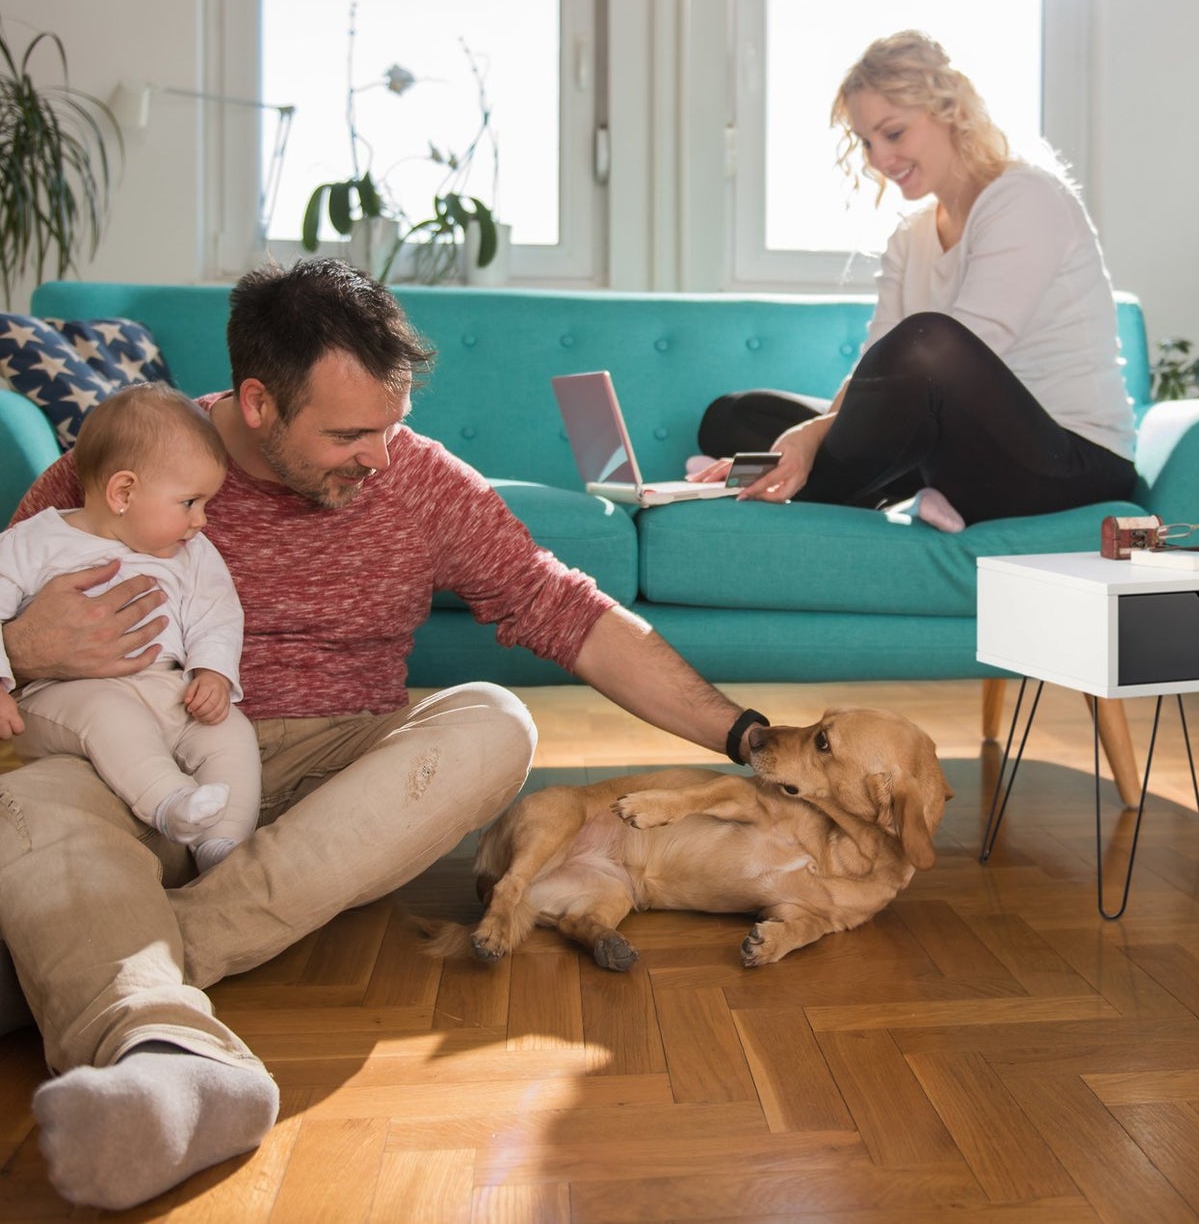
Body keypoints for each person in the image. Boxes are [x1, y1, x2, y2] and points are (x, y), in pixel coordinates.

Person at [0, 258, 773, 1212]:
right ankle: (173, 1059)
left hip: (345, 768)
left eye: (392, 424)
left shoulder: (414, 479)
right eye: (348, 432)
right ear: (255, 403)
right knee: (27, 795)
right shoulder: (134, 462)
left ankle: (119, 977)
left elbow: (563, 608)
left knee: (495, 720)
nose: (378, 456)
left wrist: (746, 735)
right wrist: (18, 639)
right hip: (143, 752)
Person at [694, 30, 1139, 532]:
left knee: (929, 346)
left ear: (948, 110)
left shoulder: (1024, 198)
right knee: (735, 416)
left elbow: (953, 361)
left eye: (894, 133)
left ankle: (785, 484)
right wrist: (807, 432)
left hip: (1066, 465)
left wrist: (814, 436)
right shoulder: (912, 235)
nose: (879, 159)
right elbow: (874, 369)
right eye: (866, 141)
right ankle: (821, 483)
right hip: (955, 455)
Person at [0, 383, 259, 874]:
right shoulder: (35, 541)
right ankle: (168, 803)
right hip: (67, 696)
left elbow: (217, 611)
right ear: (124, 492)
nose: (202, 521)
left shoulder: (192, 552)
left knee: (230, 732)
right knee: (110, 712)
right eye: (190, 502)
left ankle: (223, 842)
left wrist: (211, 673)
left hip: (165, 685)